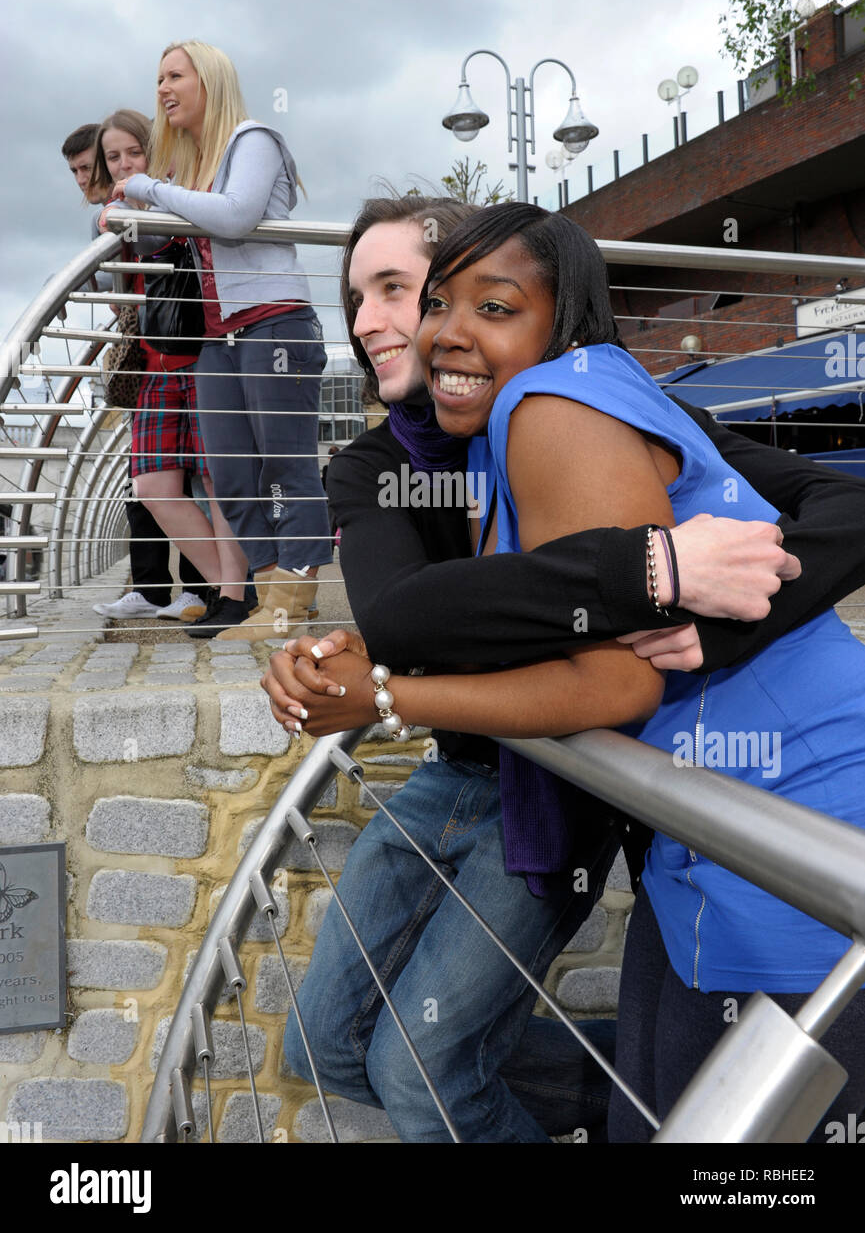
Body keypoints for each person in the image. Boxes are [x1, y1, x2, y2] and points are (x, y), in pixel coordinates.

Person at [262, 195, 865, 1143]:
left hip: (762, 826)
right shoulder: (409, 451)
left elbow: (836, 511)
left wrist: (721, 612)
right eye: (370, 300)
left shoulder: (560, 404)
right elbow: (399, 614)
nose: (399, 324)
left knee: (445, 1075)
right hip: (647, 814)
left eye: (402, 289)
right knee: (335, 1046)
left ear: (557, 317)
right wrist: (653, 573)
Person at [109, 40, 330, 639]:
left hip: (273, 320)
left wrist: (149, 188)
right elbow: (162, 246)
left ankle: (292, 602)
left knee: (284, 466)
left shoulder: (252, 139)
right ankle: (264, 597)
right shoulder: (196, 164)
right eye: (158, 78)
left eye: (174, 75)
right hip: (219, 335)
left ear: (209, 80)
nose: (162, 89)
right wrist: (120, 208)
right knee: (230, 472)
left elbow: (235, 216)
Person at [92, 109, 246, 623]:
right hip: (156, 363)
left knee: (218, 480)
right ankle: (238, 588)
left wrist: (137, 201)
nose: (123, 163)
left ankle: (233, 596)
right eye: (113, 157)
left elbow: (163, 242)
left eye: (133, 152)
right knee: (153, 487)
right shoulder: (117, 209)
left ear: (155, 152)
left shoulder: (175, 196)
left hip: (203, 355)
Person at [62, 124, 102, 203]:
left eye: (87, 168)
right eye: (75, 171)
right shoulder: (101, 214)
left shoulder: (130, 212)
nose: (80, 181)